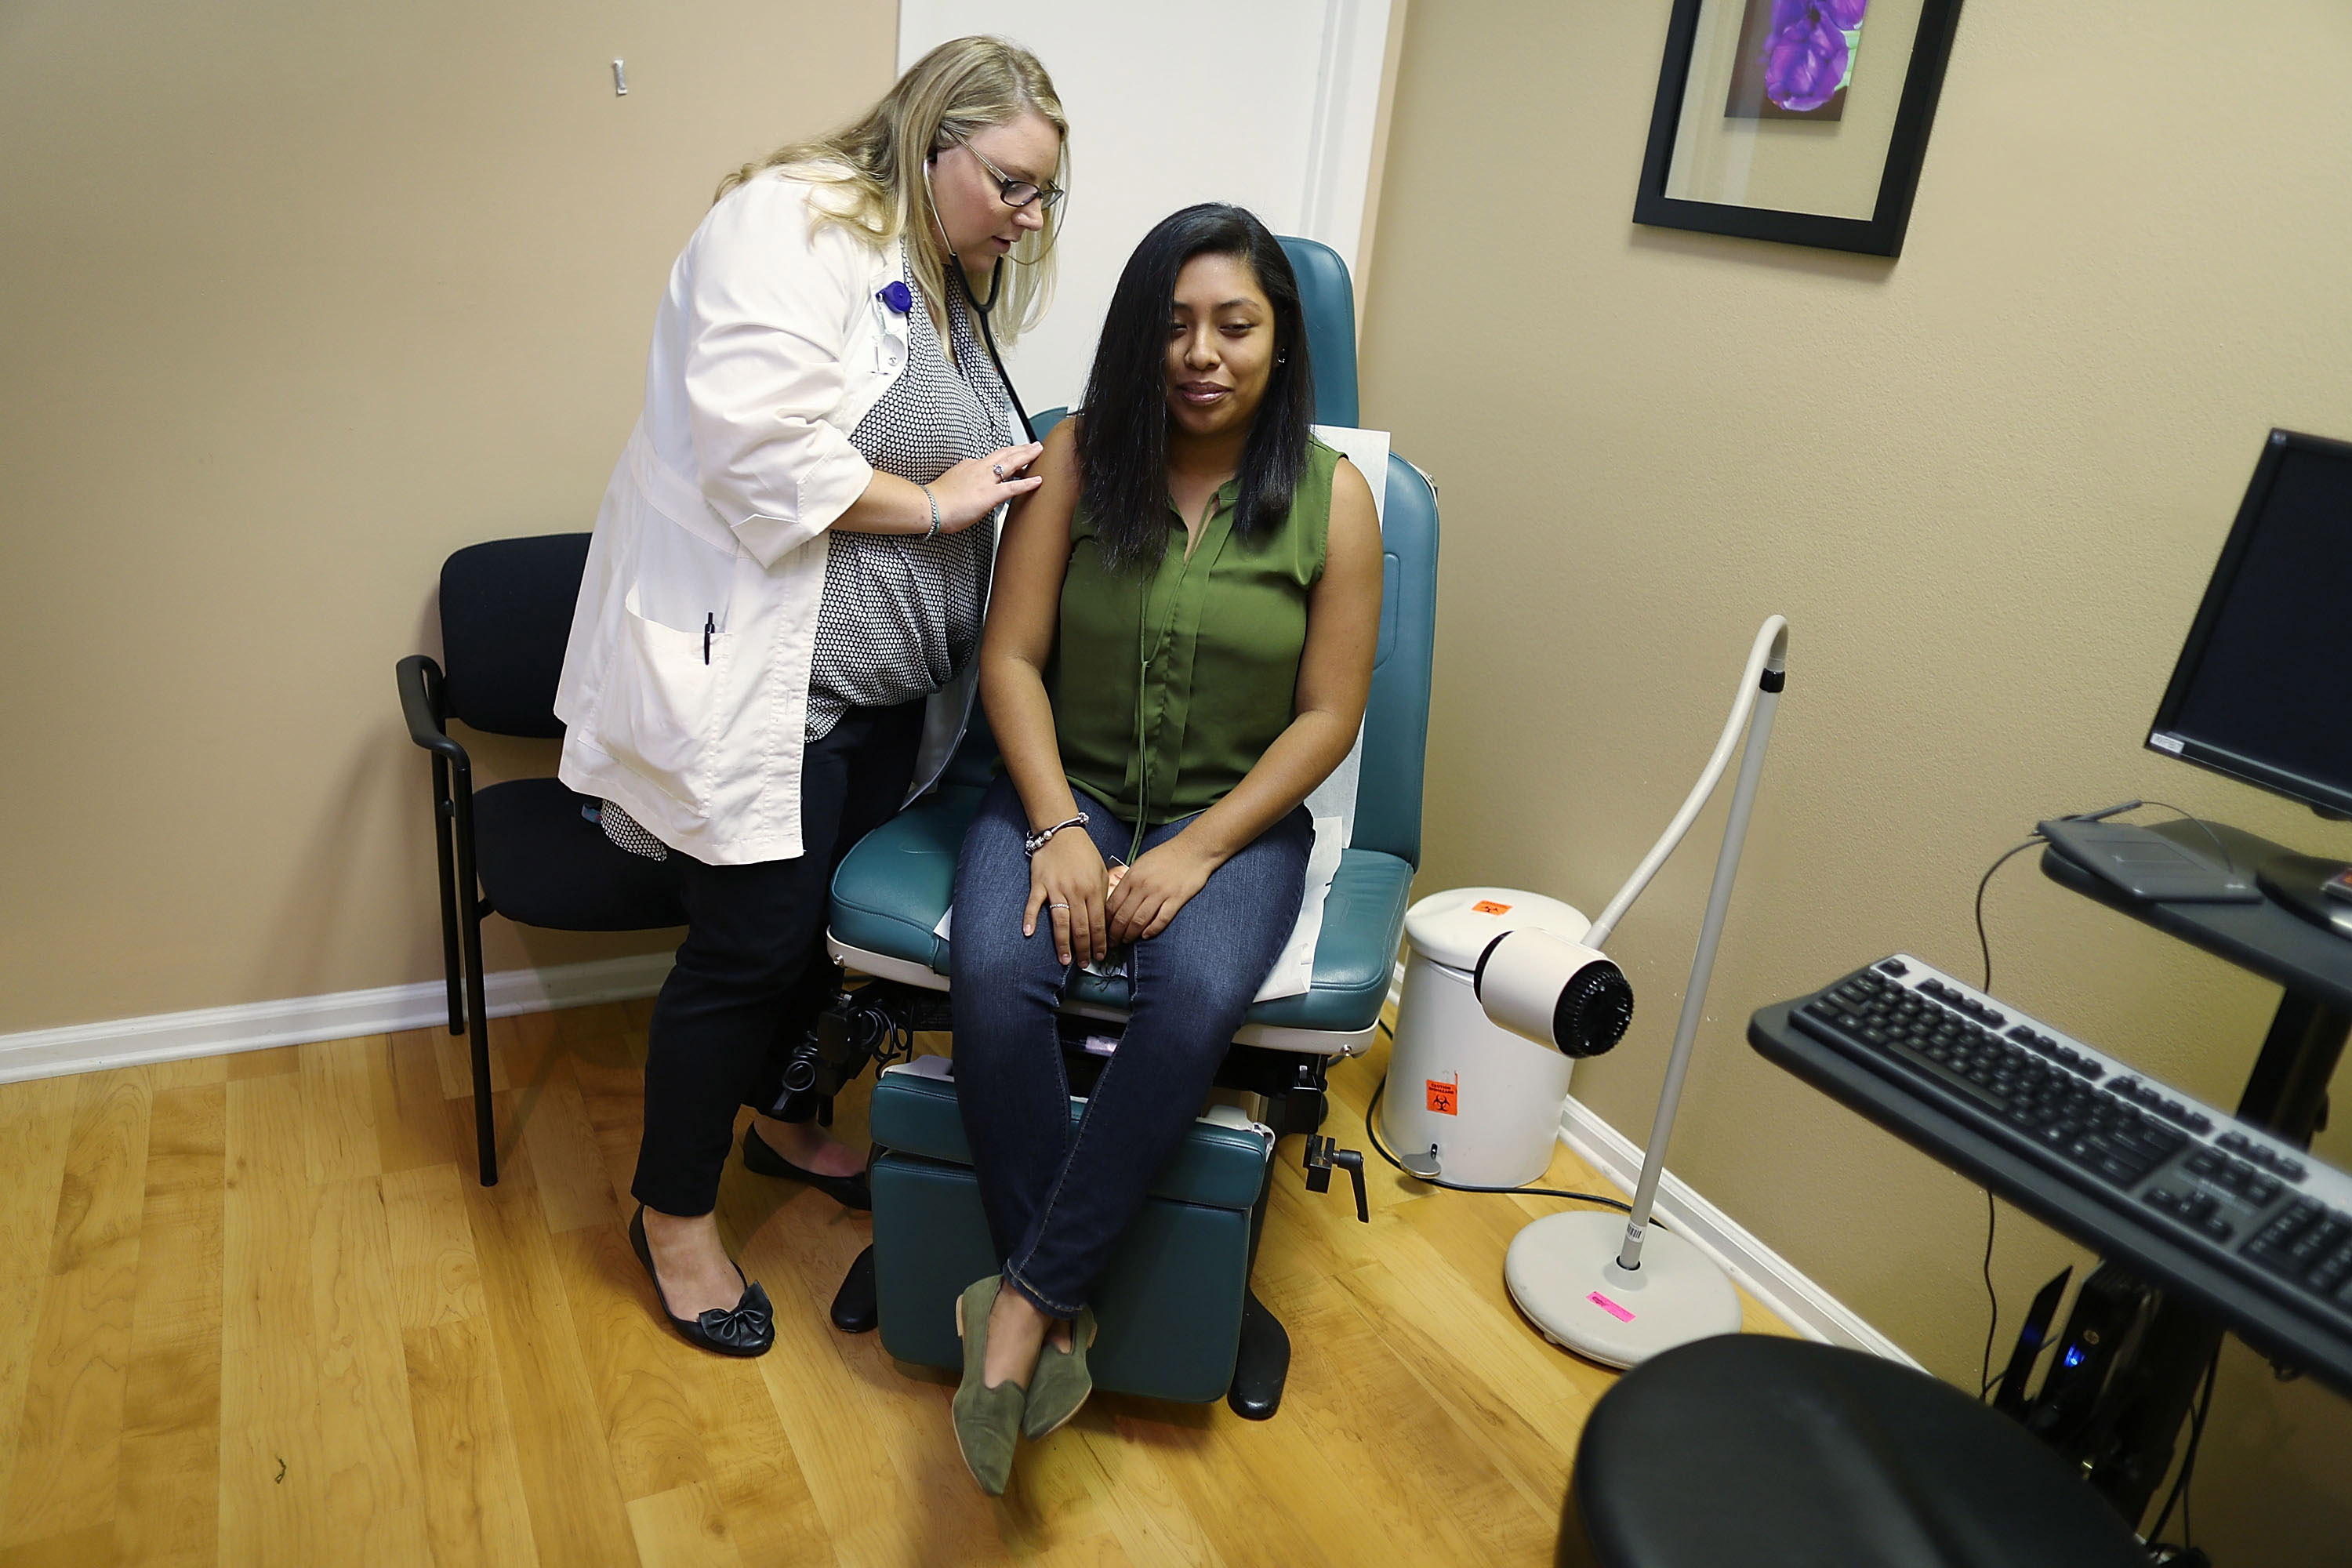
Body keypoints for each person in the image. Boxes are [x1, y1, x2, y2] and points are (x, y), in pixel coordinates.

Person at [553, 37, 1069, 1357]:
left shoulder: (948, 276)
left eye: (1042, 195)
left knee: (816, 939)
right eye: (1009, 184)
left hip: (876, 701)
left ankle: (783, 1121)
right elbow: (752, 444)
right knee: (748, 949)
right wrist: (946, 500)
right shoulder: (792, 221)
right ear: (927, 139)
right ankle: (671, 1218)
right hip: (774, 691)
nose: (1026, 218)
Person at [943, 204, 1382, 1488]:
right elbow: (1012, 658)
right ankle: (1054, 1300)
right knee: (994, 979)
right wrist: (1059, 827)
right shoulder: (1079, 458)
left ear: (1279, 340)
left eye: (1234, 325)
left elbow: (1329, 715)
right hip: (1056, 790)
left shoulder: (1336, 503)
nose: (1203, 352)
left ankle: (1019, 1308)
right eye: (1175, 325)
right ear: (1141, 339)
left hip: (1234, 822)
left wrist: (1196, 853)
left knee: (1189, 1001)